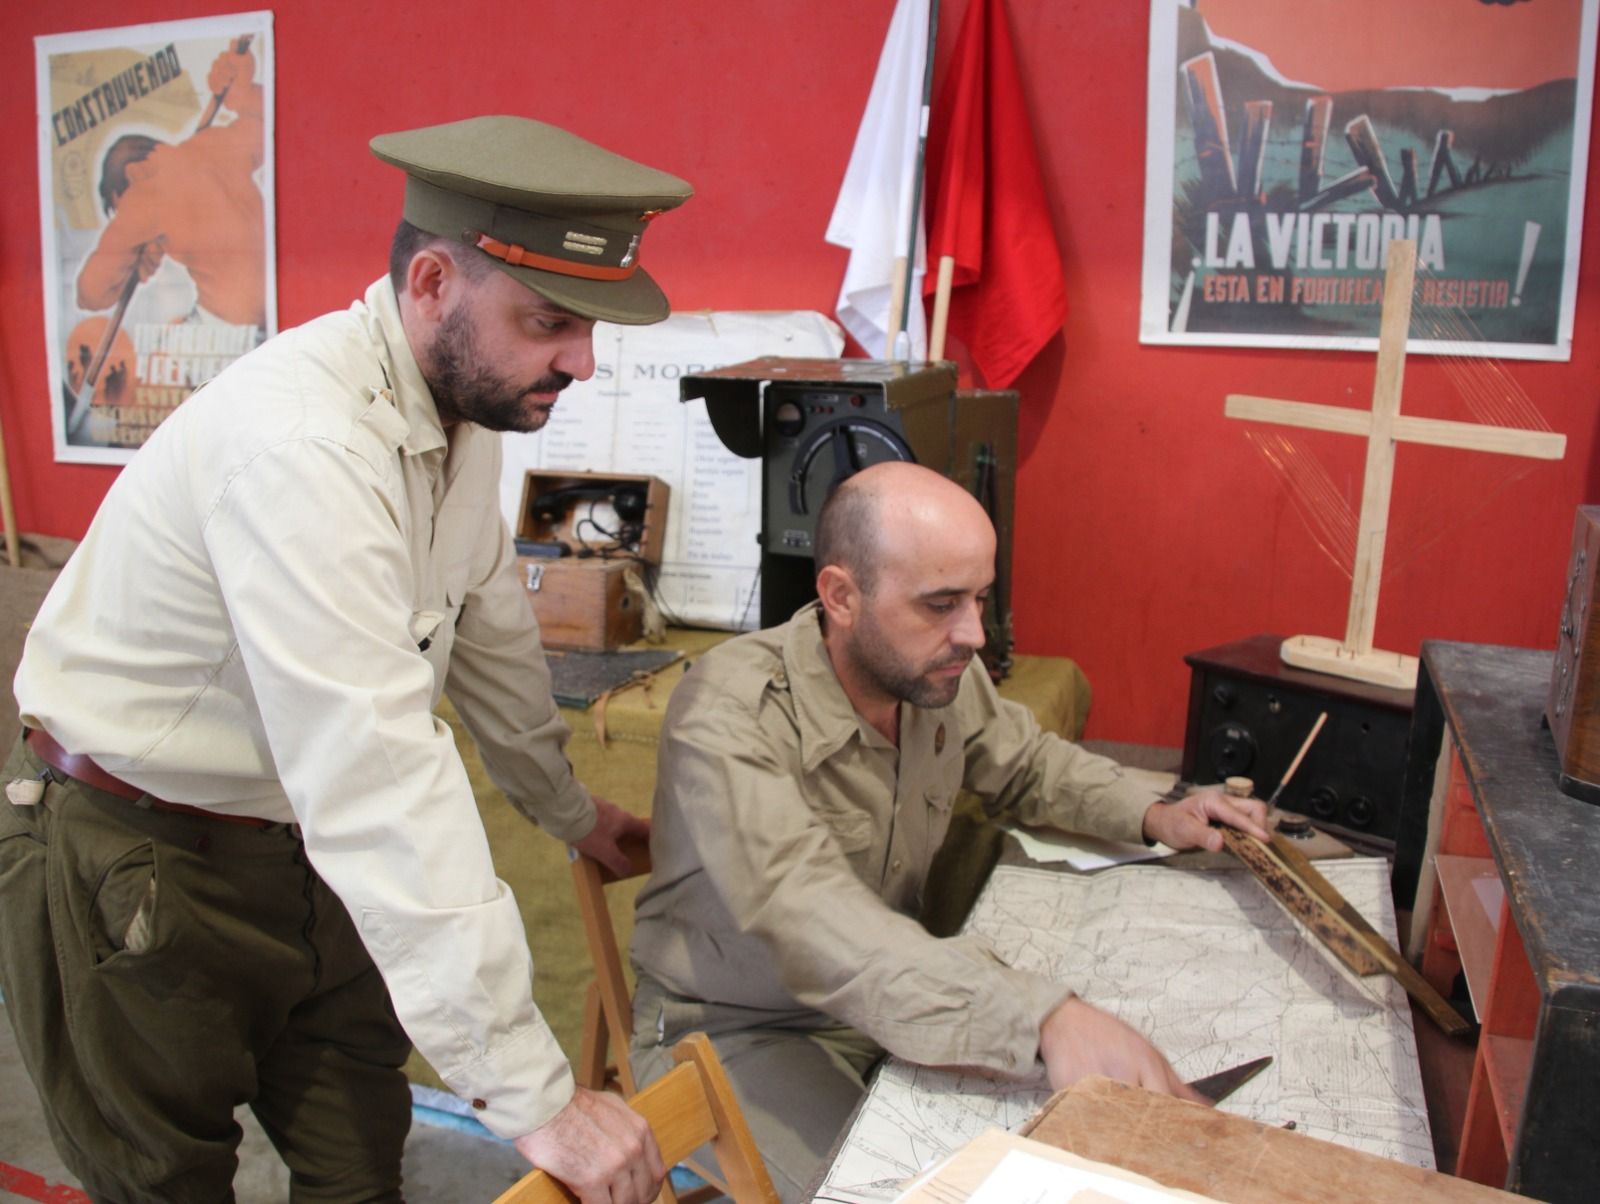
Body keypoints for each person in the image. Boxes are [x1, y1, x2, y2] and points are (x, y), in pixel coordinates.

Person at [4, 115, 692, 1204]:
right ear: (430, 282)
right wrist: (536, 1097)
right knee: (166, 1181)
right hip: (140, 854)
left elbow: (489, 634)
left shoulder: (459, 408)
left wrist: (566, 809)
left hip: (295, 846)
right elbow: (374, 773)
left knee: (358, 1161)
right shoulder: (305, 448)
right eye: (550, 321)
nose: (582, 359)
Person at [628, 461, 1271, 1200]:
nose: (972, 634)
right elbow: (809, 917)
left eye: (979, 599)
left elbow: (1028, 764)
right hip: (730, 1028)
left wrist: (1156, 813)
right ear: (841, 595)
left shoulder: (930, 674)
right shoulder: (729, 711)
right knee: (917, 1190)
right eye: (940, 603)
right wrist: (1042, 1019)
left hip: (881, 1005)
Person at [76, 43, 267, 329]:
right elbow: (262, 121)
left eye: (120, 207)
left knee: (163, 350)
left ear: (132, 173)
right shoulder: (213, 145)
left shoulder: (146, 193)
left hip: (227, 325)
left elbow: (90, 294)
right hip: (274, 318)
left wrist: (128, 265)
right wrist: (241, 91)